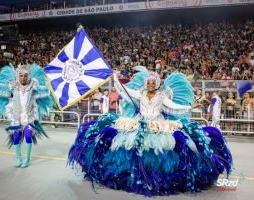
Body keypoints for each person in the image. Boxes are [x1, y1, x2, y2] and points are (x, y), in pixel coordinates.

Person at [68, 66, 232, 196]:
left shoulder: (162, 96)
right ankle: (133, 174)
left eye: (153, 83)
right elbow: (125, 91)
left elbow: (174, 106)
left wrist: (190, 106)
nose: (150, 84)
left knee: (158, 150)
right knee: (129, 146)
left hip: (158, 125)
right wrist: (115, 79)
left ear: (157, 84)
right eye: (148, 82)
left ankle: (155, 176)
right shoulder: (140, 94)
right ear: (146, 83)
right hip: (139, 123)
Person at [0, 64, 52, 168]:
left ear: (28, 76)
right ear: (18, 76)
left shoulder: (33, 85)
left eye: (25, 76)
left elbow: (44, 88)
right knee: (16, 137)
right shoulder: (13, 85)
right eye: (21, 75)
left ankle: (27, 159)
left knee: (28, 135)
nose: (23, 78)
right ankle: (18, 158)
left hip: (28, 116)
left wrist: (51, 84)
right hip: (16, 117)